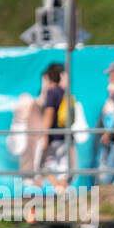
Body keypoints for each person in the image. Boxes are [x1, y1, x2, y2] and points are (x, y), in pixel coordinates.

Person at [36, 62, 72, 191]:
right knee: (63, 167)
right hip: (65, 134)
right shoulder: (64, 92)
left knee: (44, 165)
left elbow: (49, 113)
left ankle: (58, 188)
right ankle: (62, 190)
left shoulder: (52, 92)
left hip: (53, 136)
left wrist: (44, 134)